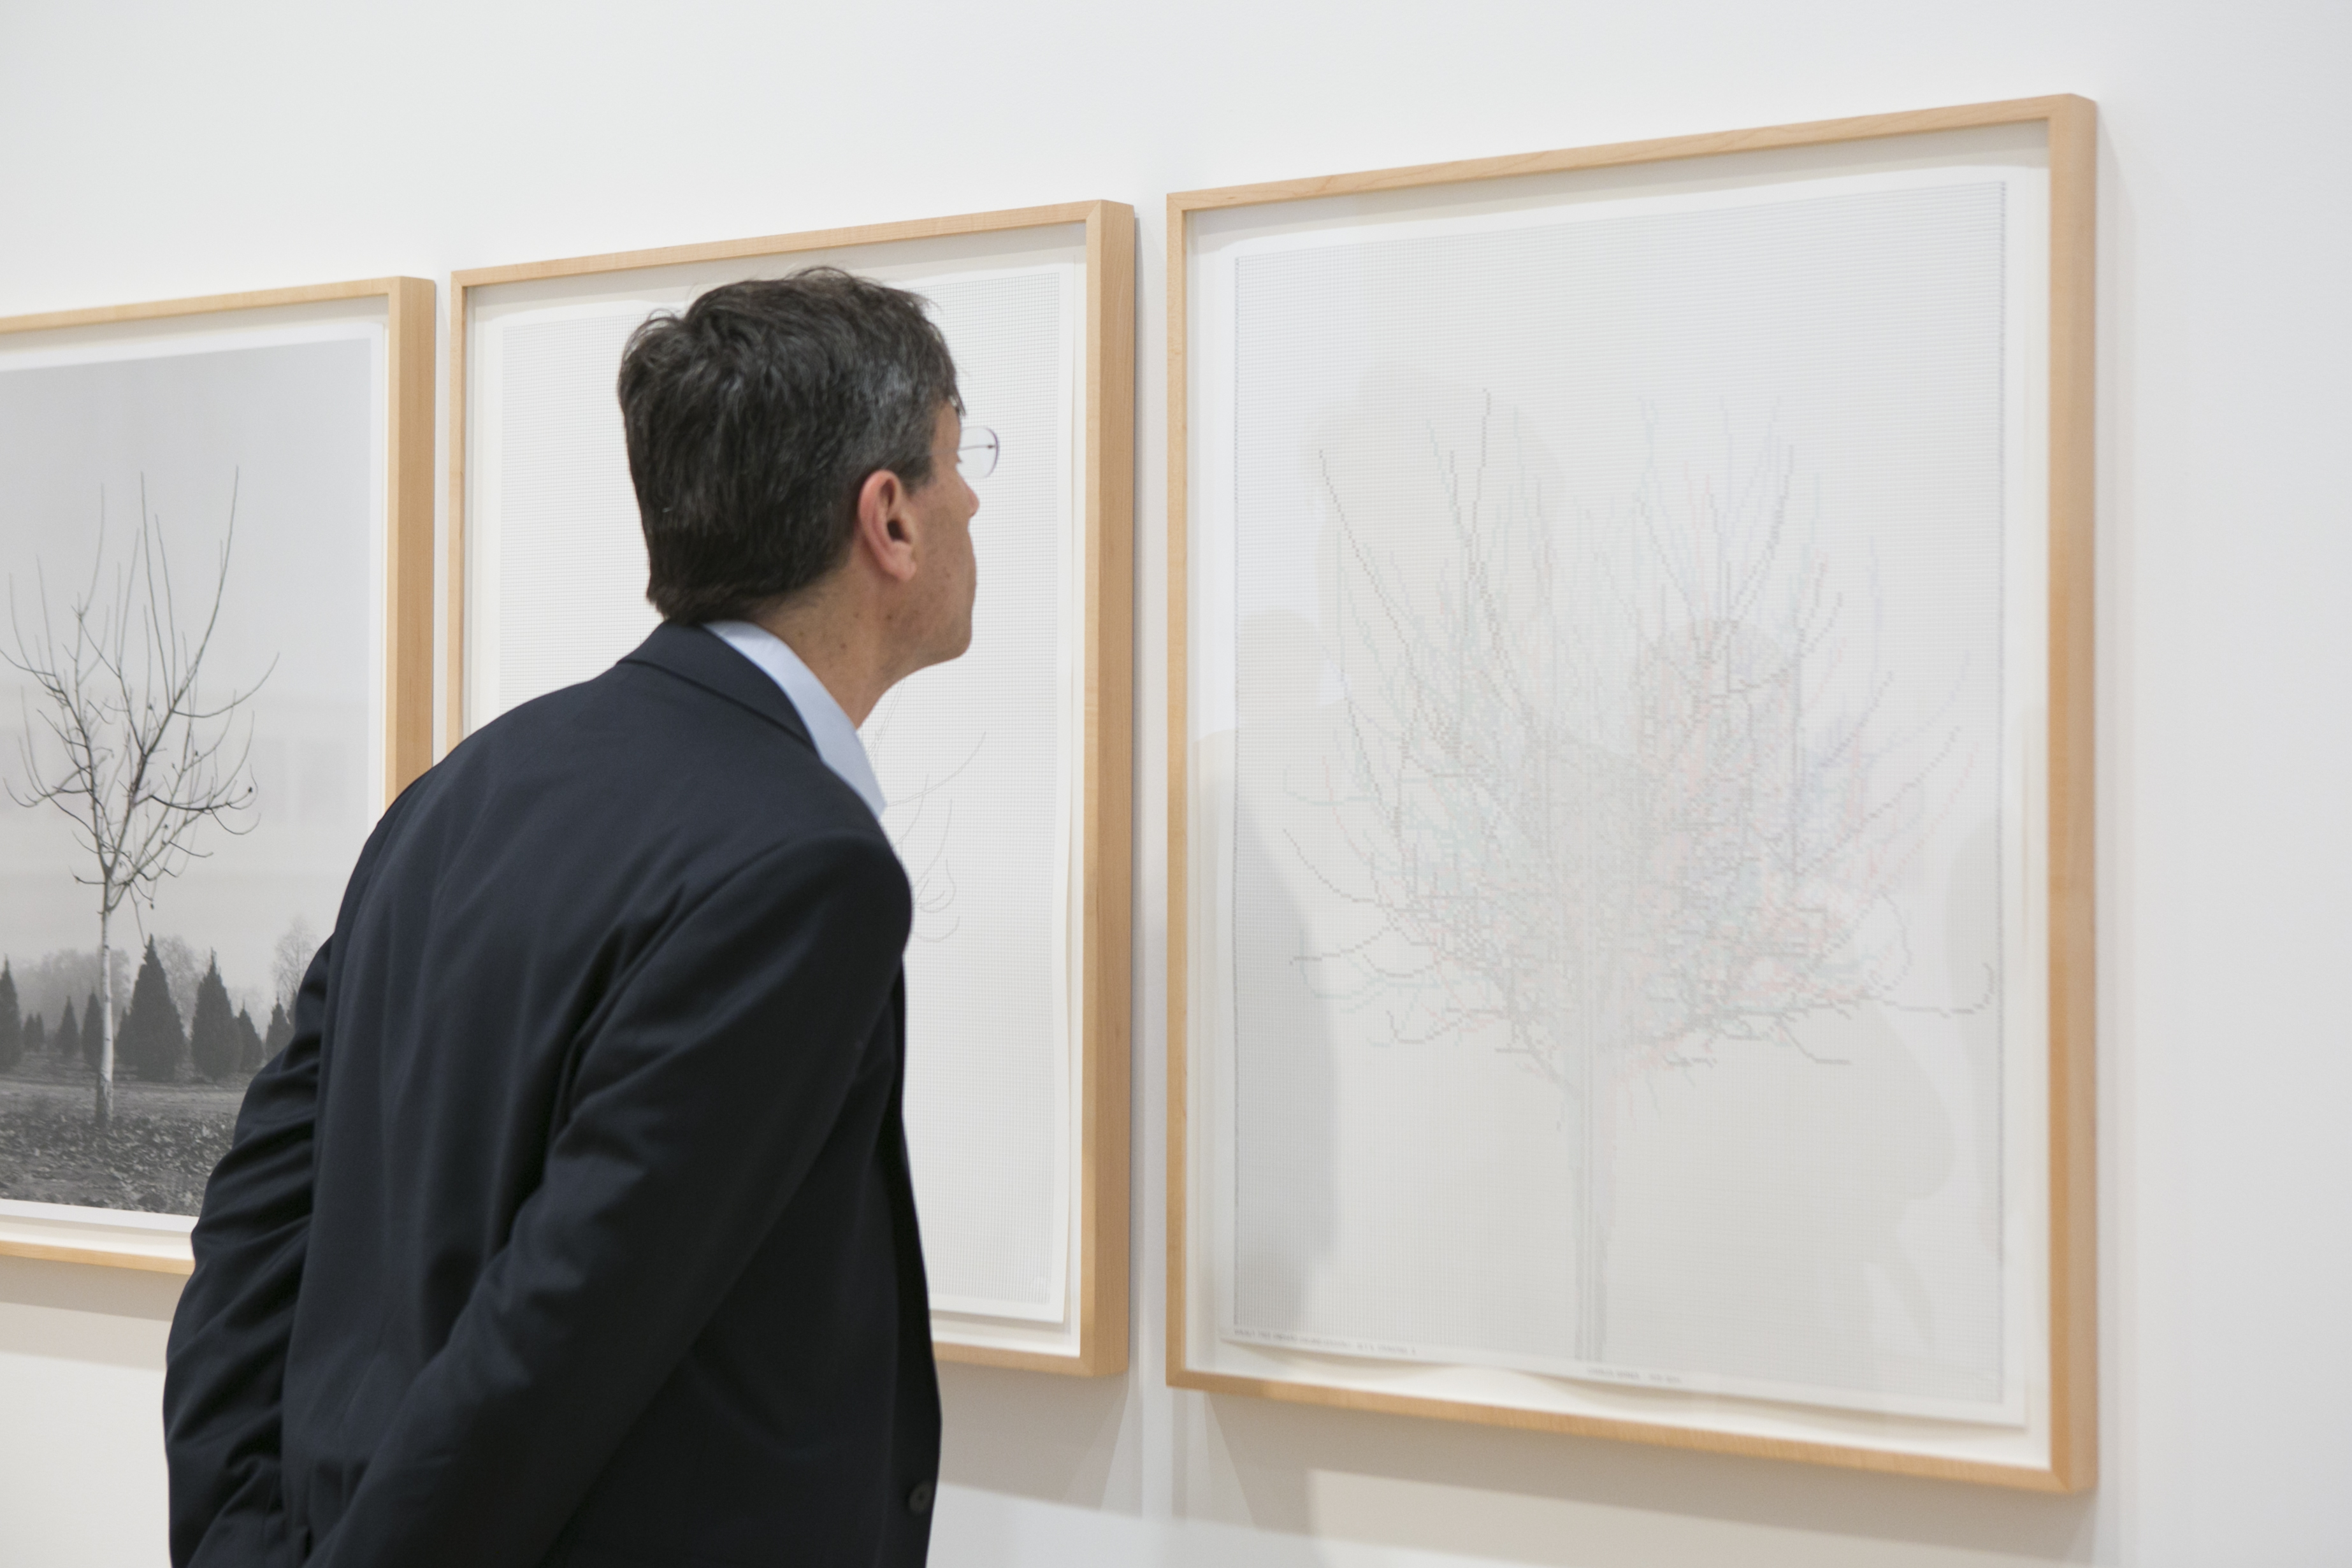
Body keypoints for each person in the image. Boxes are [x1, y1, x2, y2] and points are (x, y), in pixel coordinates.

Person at [161, 268, 981, 1568]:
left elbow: (256, 1222)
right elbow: (551, 1342)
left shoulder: (462, 789)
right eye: (956, 461)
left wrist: (236, 1540)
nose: (972, 500)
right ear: (887, 517)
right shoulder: (807, 864)